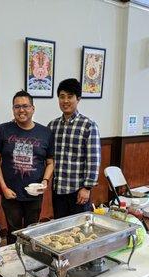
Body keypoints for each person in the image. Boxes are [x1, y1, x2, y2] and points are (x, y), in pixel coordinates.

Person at [0, 90, 54, 244]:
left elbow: (50, 162)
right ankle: (12, 264)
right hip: (10, 193)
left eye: (25, 106)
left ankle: (29, 262)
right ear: (13, 109)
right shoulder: (3, 130)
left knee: (32, 232)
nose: (21, 110)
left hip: (35, 193)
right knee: (13, 232)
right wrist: (4, 187)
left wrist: (45, 181)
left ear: (33, 108)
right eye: (17, 107)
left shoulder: (45, 133)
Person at [48, 78, 101, 219]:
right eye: (62, 97)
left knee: (79, 231)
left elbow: (93, 160)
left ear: (78, 99)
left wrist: (87, 188)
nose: (65, 101)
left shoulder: (88, 126)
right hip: (58, 190)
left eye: (70, 96)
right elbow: (48, 157)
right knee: (59, 229)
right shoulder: (52, 126)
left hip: (78, 191)